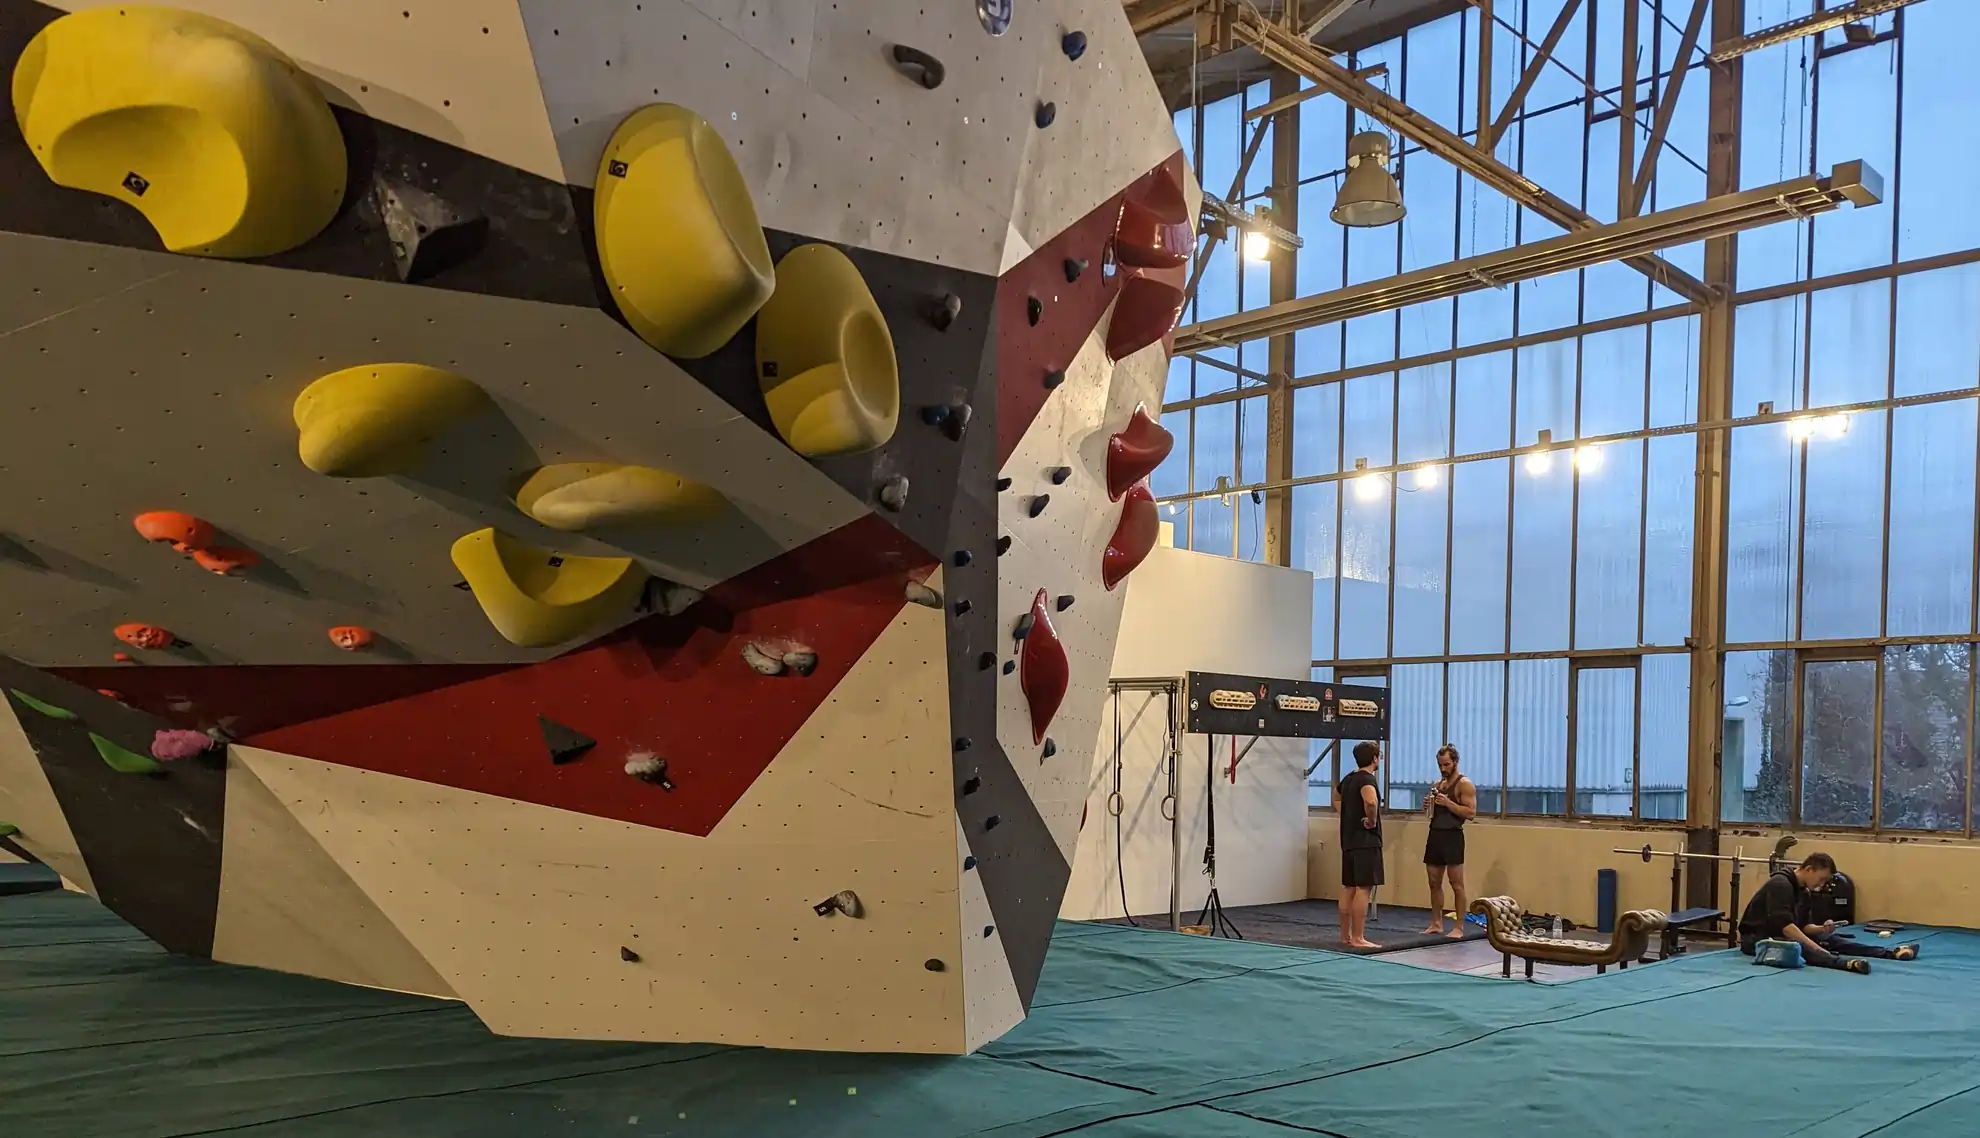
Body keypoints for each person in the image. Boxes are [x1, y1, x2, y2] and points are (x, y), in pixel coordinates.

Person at [1737, 852, 1919, 973]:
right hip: (1757, 939)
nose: (1821, 885)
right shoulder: (1780, 885)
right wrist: (1817, 948)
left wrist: (1821, 930)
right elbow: (1787, 927)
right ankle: (1845, 964)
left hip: (1781, 934)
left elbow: (1803, 927)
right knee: (1799, 947)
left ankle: (1890, 952)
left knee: (1833, 940)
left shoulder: (1804, 891)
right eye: (1821, 879)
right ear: (1809, 869)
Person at [1420, 744, 1476, 938]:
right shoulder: (1437, 785)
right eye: (1440, 765)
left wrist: (1448, 803)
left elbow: (1470, 813)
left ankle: (1459, 927)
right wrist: (1427, 805)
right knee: (1434, 882)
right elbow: (1431, 814)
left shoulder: (1464, 784)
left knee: (1456, 884)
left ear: (1455, 762)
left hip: (1453, 836)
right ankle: (1436, 923)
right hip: (1435, 834)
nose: (1443, 769)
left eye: (1446, 764)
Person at [1338, 741, 1384, 949]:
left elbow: (1335, 797)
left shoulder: (1348, 779)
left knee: (1349, 887)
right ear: (1374, 758)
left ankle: (1345, 935)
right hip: (1365, 842)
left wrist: (1347, 815)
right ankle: (1358, 936)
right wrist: (1371, 821)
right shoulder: (1367, 779)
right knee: (1363, 888)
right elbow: (1371, 802)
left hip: (1348, 840)